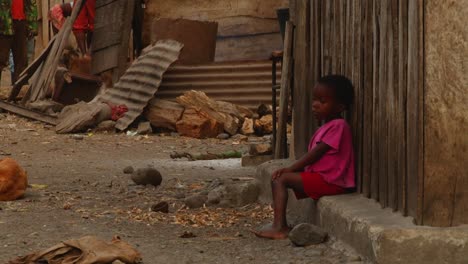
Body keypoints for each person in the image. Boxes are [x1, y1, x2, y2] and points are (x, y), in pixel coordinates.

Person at [254, 75, 355, 239]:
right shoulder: (327, 126)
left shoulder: (339, 126)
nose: (315, 105)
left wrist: (291, 168)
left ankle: (279, 226)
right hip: (324, 178)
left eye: (322, 101)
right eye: (315, 99)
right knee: (280, 177)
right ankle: (279, 224)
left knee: (280, 179)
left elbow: (315, 154)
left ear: (340, 106)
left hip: (332, 182)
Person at [0, 0, 38, 84]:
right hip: (4, 24)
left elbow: (31, 4)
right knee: (1, 57)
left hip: (21, 23)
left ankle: (20, 88)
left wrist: (32, 26)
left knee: (21, 59)